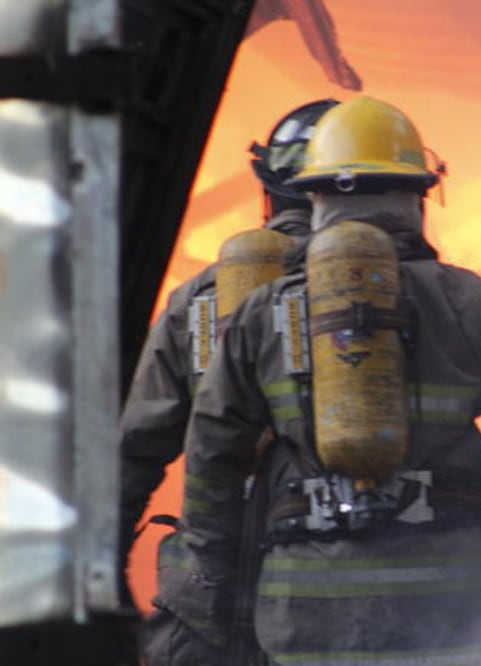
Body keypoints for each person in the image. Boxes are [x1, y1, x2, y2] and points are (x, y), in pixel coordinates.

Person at [177, 96, 481, 666]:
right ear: (418, 198)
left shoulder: (263, 311)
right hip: (457, 609)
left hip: (310, 617)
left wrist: (220, 571)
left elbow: (212, 453)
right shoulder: (470, 301)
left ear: (315, 197)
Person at [117, 98, 337, 663]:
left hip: (208, 595)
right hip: (343, 589)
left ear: (271, 188)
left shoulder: (197, 300)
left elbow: (135, 447)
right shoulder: (397, 294)